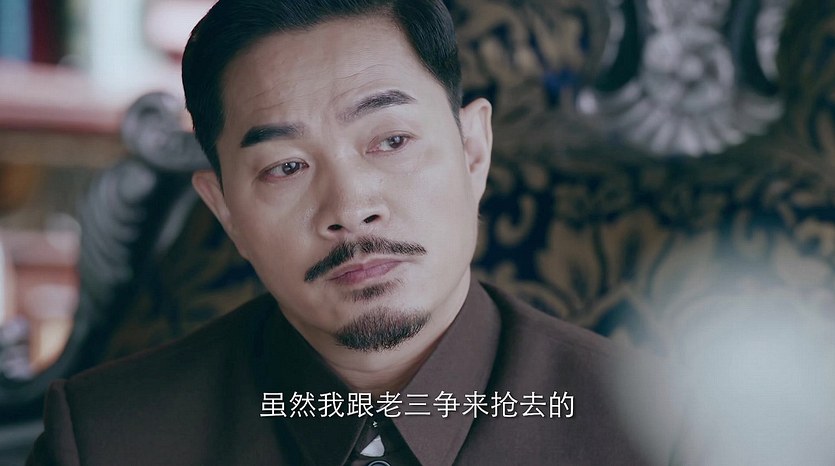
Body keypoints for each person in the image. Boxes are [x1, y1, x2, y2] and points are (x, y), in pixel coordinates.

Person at [28, 1, 690, 464]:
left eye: (392, 140)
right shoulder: (106, 440)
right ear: (226, 210)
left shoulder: (665, 430)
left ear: (473, 152)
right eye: (286, 166)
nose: (349, 208)